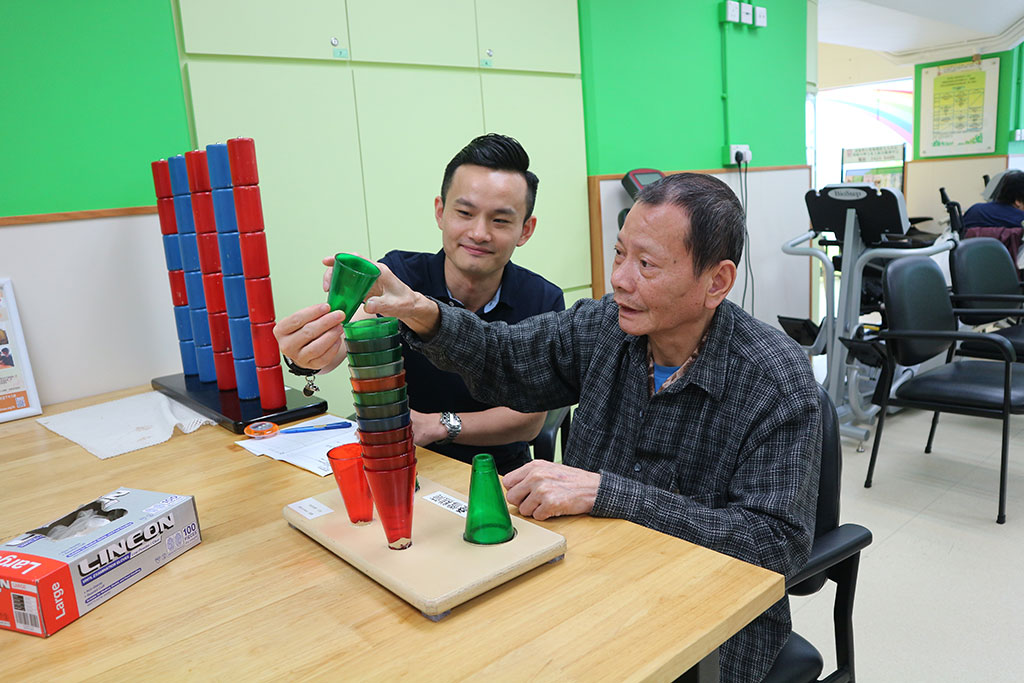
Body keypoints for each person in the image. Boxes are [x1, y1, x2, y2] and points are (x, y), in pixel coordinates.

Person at [361, 172, 820, 682]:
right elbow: (506, 356)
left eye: (646, 264)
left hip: (707, 625)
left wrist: (609, 494)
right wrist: (423, 313)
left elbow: (774, 543)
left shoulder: (773, 378)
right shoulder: (605, 326)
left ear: (717, 282)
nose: (620, 279)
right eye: (620, 254)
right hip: (590, 580)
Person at [274, 134, 565, 474]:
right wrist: (308, 356)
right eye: (465, 212)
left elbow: (528, 421)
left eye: (500, 220)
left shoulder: (542, 298)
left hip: (498, 472)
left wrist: (437, 425)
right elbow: (340, 345)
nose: (479, 233)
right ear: (440, 212)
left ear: (525, 230)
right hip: (405, 463)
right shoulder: (398, 276)